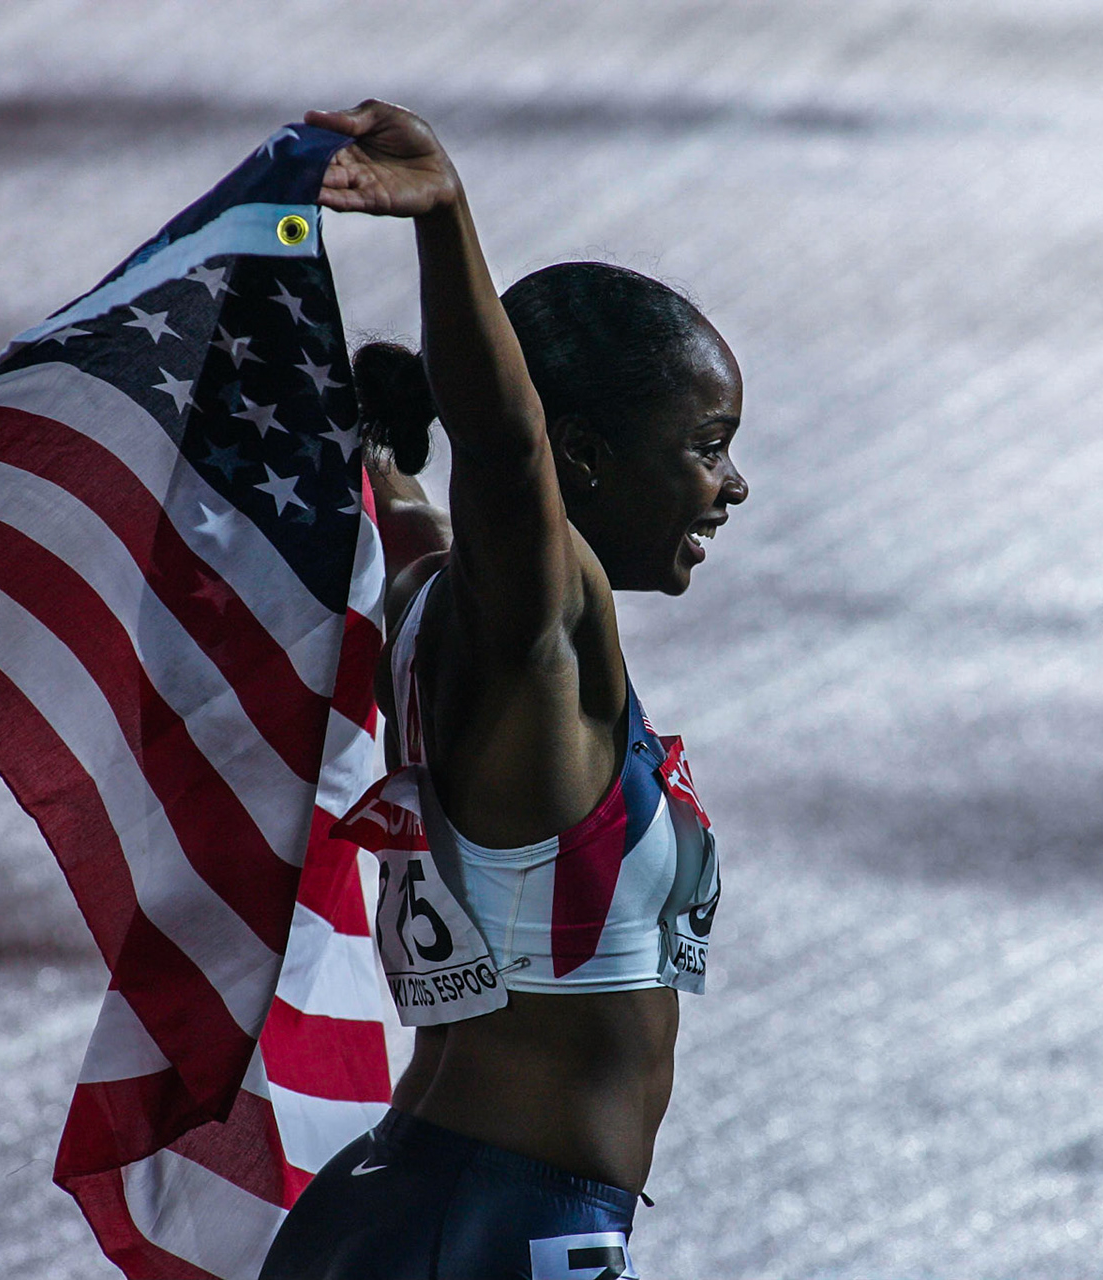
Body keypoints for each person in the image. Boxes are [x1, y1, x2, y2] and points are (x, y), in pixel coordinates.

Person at [260, 100, 748, 1280]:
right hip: (499, 1233)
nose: (732, 487)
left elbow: (414, 490)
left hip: (407, 1203)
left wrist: (379, 442)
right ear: (579, 453)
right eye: (706, 443)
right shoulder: (545, 626)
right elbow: (500, 448)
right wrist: (444, 218)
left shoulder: (436, 598)